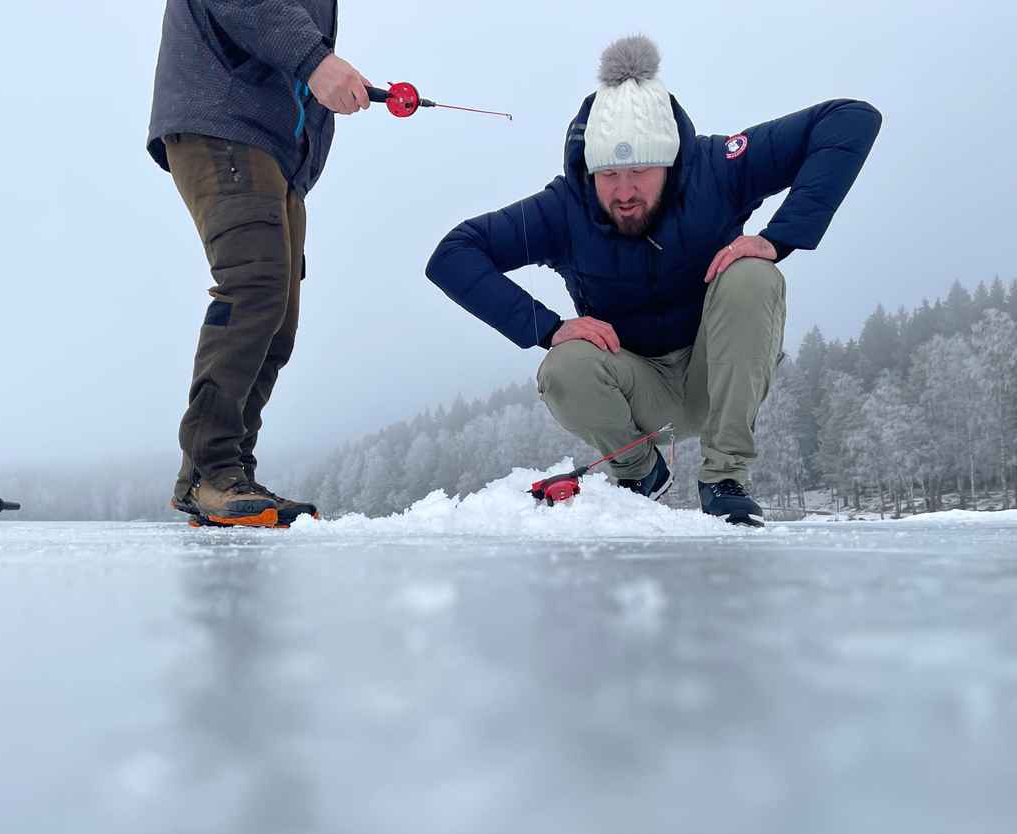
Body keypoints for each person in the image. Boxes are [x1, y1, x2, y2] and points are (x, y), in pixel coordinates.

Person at [426, 35, 881, 526]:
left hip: (721, 372)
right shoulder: (563, 209)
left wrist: (780, 238)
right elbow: (454, 254)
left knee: (753, 275)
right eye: (608, 175)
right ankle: (640, 471)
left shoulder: (716, 169)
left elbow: (850, 120)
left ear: (669, 160)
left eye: (640, 171)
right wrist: (548, 327)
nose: (624, 192)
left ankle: (724, 478)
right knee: (563, 365)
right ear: (589, 170)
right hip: (638, 393)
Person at [148, 0, 369, 527]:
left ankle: (223, 475)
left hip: (275, 152)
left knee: (278, 315)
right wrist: (316, 61)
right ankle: (212, 470)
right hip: (226, 123)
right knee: (256, 286)